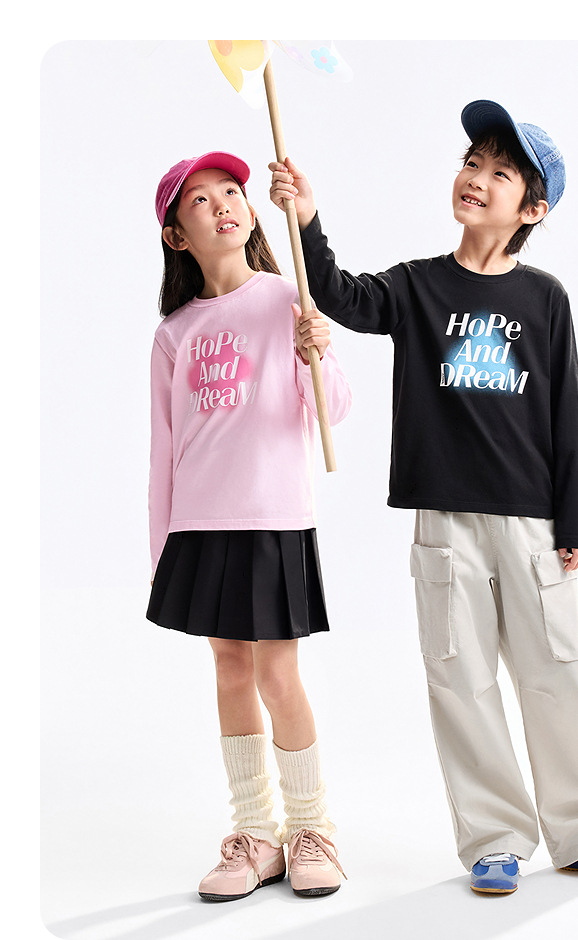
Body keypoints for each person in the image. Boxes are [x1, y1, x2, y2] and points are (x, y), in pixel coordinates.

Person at [269, 100, 578, 895]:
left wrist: (574, 519)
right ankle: (495, 840)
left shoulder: (545, 299)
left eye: (500, 173)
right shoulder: (417, 286)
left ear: (532, 210)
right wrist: (306, 217)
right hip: (444, 522)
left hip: (533, 522)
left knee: (559, 674)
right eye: (471, 162)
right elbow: (339, 294)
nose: (476, 178)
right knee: (462, 681)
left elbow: (566, 415)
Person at [147, 152, 350, 902]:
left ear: (253, 209)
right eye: (200, 201)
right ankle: (256, 834)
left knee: (277, 673)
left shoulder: (285, 299)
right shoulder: (174, 334)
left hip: (273, 517)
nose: (223, 205)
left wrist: (316, 353)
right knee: (231, 669)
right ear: (177, 236)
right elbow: (163, 449)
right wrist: (162, 549)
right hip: (199, 524)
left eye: (232, 192)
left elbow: (333, 408)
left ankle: (312, 828)